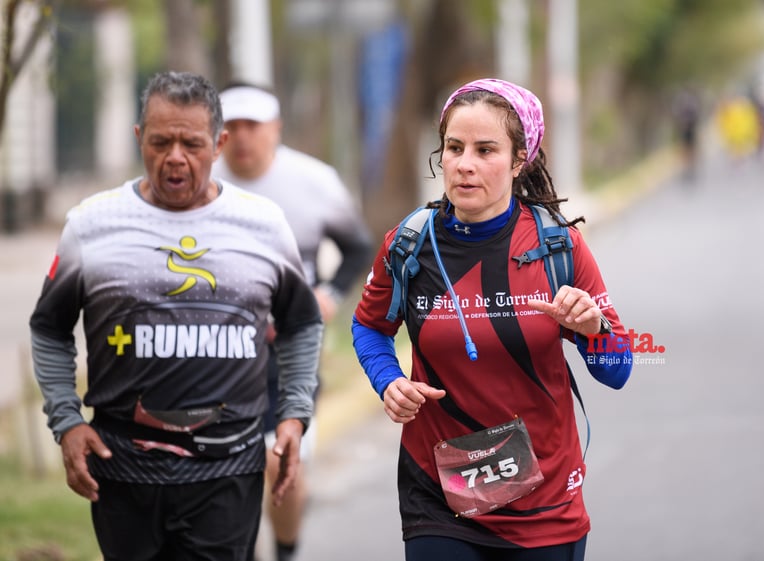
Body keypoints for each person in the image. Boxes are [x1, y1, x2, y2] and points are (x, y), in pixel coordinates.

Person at [29, 71, 323, 561]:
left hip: (228, 468)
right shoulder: (91, 225)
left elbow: (300, 323)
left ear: (220, 144)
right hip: (122, 467)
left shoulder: (263, 224)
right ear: (139, 138)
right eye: (161, 141)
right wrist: (65, 420)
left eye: (192, 143)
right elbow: (48, 327)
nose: (175, 158)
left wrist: (294, 413)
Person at [351, 78, 634, 561]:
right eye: (454, 148)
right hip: (439, 493)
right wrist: (389, 381)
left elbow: (618, 370)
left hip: (545, 499)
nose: (464, 165)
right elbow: (370, 326)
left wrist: (595, 332)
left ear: (519, 159)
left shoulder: (557, 247)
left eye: (486, 150)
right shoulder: (409, 244)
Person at [213, 83, 373, 561]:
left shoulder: (313, 180)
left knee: (283, 460)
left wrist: (329, 294)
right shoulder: (200, 178)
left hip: (288, 346)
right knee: (228, 469)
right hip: (217, 349)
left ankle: (285, 550)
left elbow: (358, 248)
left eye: (252, 127)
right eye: (232, 127)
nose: (242, 138)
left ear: (275, 129)